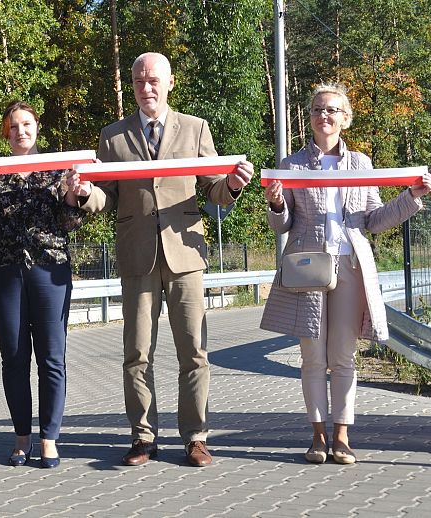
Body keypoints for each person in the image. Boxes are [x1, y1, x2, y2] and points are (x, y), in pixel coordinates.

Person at [67, 52, 255, 467]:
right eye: (138, 81)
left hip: (185, 254)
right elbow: (106, 196)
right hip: (137, 256)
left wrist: (234, 185)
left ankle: (196, 437)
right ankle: (143, 437)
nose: (146, 88)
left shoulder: (196, 128)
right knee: (136, 353)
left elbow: (213, 190)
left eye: (154, 80)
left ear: (170, 83)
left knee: (194, 352)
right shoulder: (113, 137)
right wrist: (84, 194)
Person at [260, 83, 431, 464]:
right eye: (319, 109)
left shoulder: (361, 164)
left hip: (351, 267)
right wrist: (275, 202)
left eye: (333, 110)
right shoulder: (291, 165)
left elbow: (373, 219)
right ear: (310, 116)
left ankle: (342, 434)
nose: (325, 116)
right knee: (312, 358)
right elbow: (282, 224)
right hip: (308, 269)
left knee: (343, 356)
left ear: (345, 119)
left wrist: (412, 197)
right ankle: (317, 436)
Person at [0, 101, 83, 468]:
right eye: (13, 126)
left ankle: (50, 438)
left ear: (37, 127)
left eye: (26, 124)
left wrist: (73, 192)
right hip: (3, 271)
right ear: (5, 133)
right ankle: (21, 437)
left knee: (52, 359)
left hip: (49, 270)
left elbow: (70, 221)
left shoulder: (58, 169)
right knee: (14, 358)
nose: (20, 131)